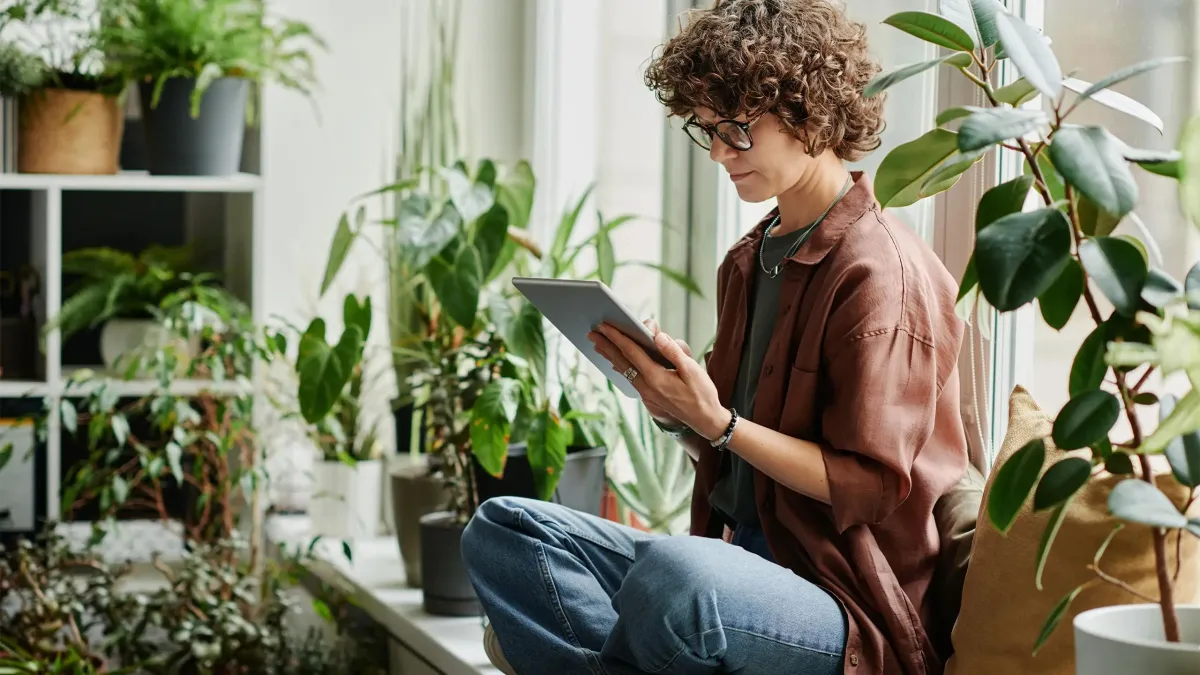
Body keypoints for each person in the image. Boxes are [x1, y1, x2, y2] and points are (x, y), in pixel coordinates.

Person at [461, 0, 969, 673]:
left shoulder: (882, 276)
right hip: (735, 565)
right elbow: (734, 453)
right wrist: (677, 410)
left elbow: (871, 487)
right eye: (708, 131)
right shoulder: (750, 260)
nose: (721, 154)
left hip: (842, 602)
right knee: (505, 531)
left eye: (737, 129)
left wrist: (720, 423)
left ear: (809, 110)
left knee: (677, 581)